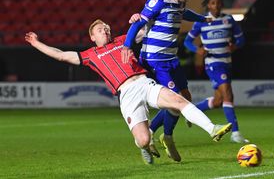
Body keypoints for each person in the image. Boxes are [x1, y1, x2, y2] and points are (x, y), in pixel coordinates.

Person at [25, 19, 232, 165]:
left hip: (144, 83)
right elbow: (61, 55)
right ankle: (145, 145)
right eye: (100, 30)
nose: (105, 30)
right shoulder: (90, 55)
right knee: (143, 140)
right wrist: (36, 43)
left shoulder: (124, 40)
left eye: (106, 28)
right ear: (92, 36)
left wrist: (141, 18)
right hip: (126, 95)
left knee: (177, 100)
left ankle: (212, 128)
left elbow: (148, 28)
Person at [121, 0, 211, 162]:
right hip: (155, 59)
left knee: (186, 97)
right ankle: (166, 137)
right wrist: (127, 46)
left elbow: (183, 13)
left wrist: (203, 19)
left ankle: (155, 131)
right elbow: (138, 24)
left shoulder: (179, 1)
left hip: (171, 58)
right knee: (176, 101)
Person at [184, 0, 249, 143]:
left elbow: (241, 39)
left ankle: (192, 112)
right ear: (208, 6)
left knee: (219, 100)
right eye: (213, 3)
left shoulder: (229, 20)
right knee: (228, 94)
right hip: (213, 63)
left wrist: (236, 45)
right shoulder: (201, 22)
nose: (217, 5)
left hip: (226, 62)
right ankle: (236, 133)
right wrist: (197, 50)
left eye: (219, 3)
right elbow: (187, 41)